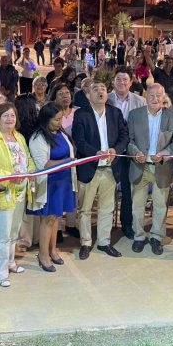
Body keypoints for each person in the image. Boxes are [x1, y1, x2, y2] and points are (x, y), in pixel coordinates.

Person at [0, 102, 36, 287]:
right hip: (3, 194)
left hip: (20, 192)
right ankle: (0, 272)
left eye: (12, 115)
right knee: (1, 236)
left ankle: (10, 263)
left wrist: (31, 173)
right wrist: (10, 176)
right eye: (6, 116)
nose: (10, 119)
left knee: (13, 233)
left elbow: (27, 159)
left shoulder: (19, 137)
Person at [72, 81, 129, 260]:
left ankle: (104, 242)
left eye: (103, 89)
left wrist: (116, 150)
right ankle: (86, 243)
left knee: (107, 208)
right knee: (86, 209)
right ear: (89, 95)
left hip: (110, 169)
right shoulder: (81, 114)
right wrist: (95, 153)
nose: (100, 92)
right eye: (95, 89)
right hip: (90, 168)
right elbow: (79, 141)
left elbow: (124, 136)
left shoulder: (115, 113)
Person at [127, 84, 173, 254]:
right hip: (139, 167)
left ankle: (157, 237)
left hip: (161, 167)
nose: (155, 99)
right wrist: (135, 152)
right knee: (137, 206)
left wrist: (165, 153)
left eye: (159, 95)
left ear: (163, 96)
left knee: (160, 206)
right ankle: (139, 237)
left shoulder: (172, 116)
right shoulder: (134, 115)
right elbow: (129, 140)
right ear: (146, 96)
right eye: (151, 95)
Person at [28, 103, 77, 272]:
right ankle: (43, 255)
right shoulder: (38, 137)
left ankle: (53, 249)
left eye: (61, 119)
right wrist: (66, 162)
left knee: (57, 217)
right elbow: (43, 164)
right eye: (56, 119)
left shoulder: (61, 133)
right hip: (49, 183)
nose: (59, 122)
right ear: (46, 119)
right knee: (47, 219)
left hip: (63, 181)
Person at [107, 67, 146, 239]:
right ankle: (105, 226)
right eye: (118, 79)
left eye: (125, 80)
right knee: (107, 190)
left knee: (129, 191)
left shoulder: (141, 102)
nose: (122, 83)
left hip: (132, 153)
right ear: (113, 81)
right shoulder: (105, 99)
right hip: (111, 152)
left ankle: (127, 224)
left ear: (131, 82)